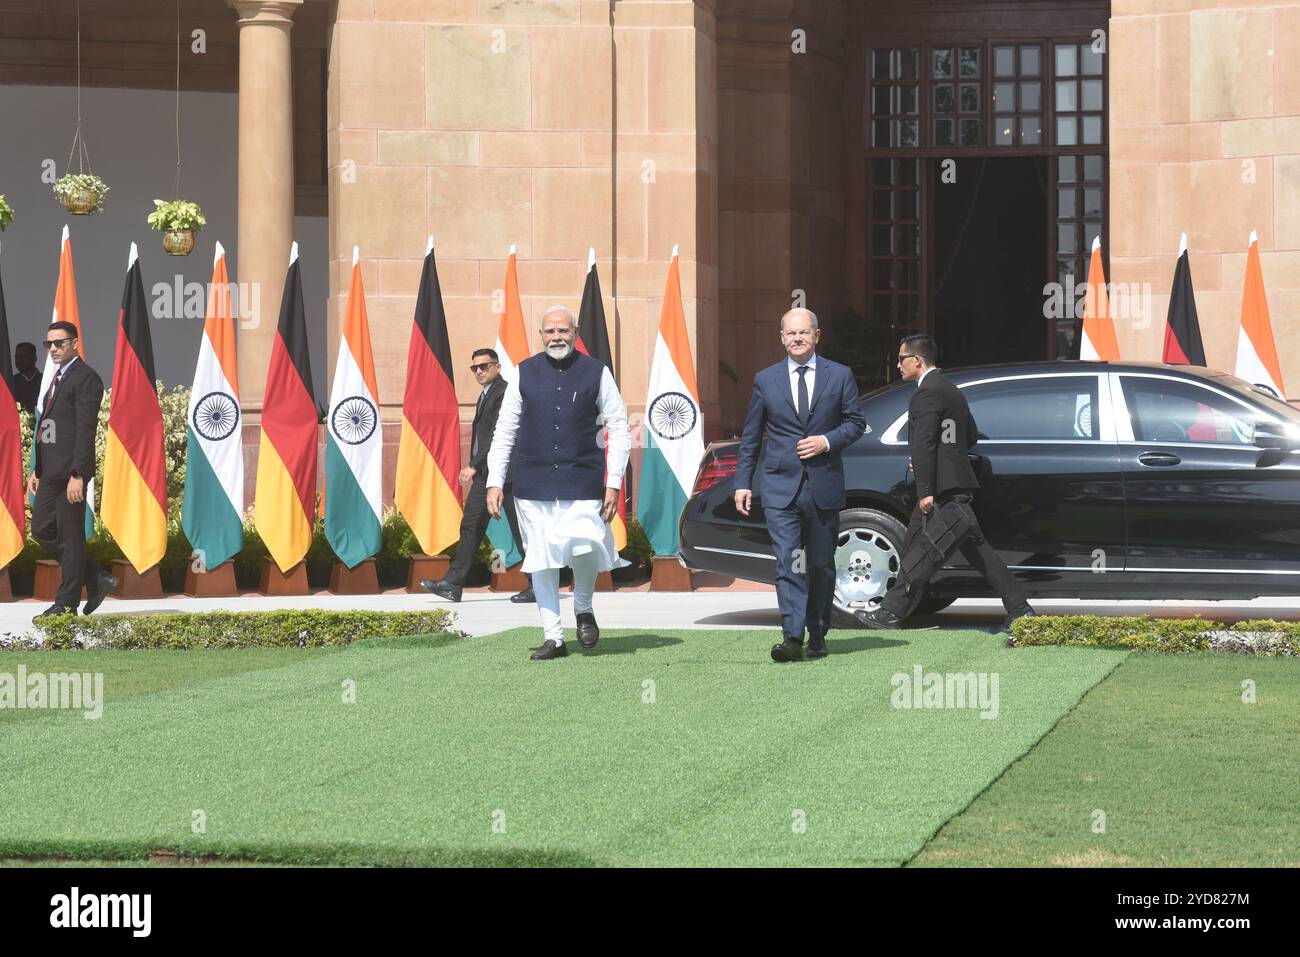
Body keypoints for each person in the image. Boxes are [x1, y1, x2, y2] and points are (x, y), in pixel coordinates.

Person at [856, 334, 1035, 630]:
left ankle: (890, 613)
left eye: (901, 358)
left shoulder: (926, 393)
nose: (898, 364)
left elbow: (923, 443)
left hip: (942, 492)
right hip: (954, 488)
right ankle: (1020, 608)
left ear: (917, 360)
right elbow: (971, 436)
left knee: (920, 550)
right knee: (976, 553)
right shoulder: (952, 390)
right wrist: (946, 453)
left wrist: (926, 490)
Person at [485, 306, 630, 661]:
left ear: (575, 331)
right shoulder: (523, 373)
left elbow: (621, 426)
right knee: (543, 559)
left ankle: (583, 607)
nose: (556, 337)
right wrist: (494, 480)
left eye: (562, 331)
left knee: (584, 545)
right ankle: (553, 637)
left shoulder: (597, 372)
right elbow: (505, 430)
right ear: (541, 335)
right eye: (549, 332)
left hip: (583, 479)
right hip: (533, 482)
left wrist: (613, 482)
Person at [734, 307, 866, 662]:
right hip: (780, 488)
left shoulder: (840, 376)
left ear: (816, 336)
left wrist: (827, 441)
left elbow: (856, 423)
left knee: (821, 564)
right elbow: (751, 436)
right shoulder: (766, 379)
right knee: (789, 562)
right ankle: (792, 635)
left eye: (804, 333)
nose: (797, 338)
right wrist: (742, 482)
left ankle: (818, 632)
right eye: (791, 333)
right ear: (781, 337)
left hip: (823, 485)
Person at [419, 347, 533, 603]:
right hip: (487, 475)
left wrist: (473, 464)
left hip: (508, 474)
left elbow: (497, 435)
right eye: (475, 368)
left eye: (484, 366)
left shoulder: (504, 393)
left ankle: (538, 585)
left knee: (520, 530)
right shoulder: (486, 394)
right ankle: (452, 583)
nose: (479, 371)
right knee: (471, 525)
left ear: (497, 367)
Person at [27, 321, 118, 618]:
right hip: (50, 473)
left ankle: (66, 604)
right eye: (49, 344)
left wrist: (79, 474)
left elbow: (84, 431)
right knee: (41, 529)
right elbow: (48, 428)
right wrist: (38, 469)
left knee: (70, 537)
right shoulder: (57, 379)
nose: (52, 349)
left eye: (59, 343)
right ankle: (94, 576)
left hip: (70, 475)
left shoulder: (86, 378)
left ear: (75, 344)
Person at [11, 341, 41, 413]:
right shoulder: (11, 382)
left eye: (23, 357)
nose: (19, 361)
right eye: (17, 357)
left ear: (34, 358)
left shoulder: (45, 381)